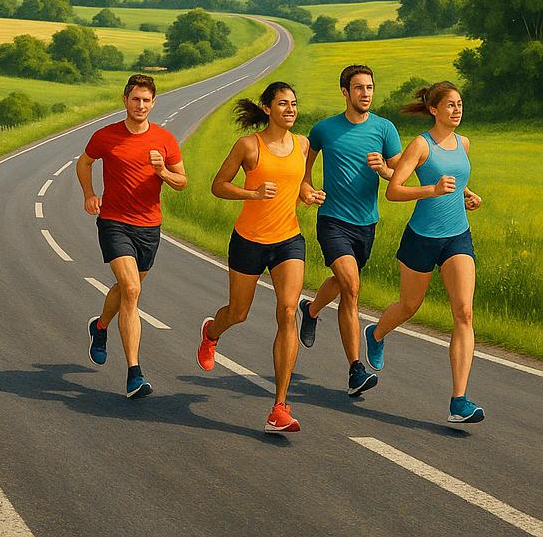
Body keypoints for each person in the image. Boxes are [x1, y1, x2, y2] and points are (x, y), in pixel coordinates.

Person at [196, 82, 323, 433]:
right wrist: (251, 193)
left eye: (293, 103)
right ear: (267, 109)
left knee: (287, 312)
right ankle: (211, 332)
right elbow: (219, 185)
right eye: (282, 104)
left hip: (288, 240)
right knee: (238, 312)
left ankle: (279, 408)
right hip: (249, 240)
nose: (290, 109)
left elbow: (300, 182)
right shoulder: (249, 146)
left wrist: (308, 194)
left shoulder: (303, 145)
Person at [365, 82, 485, 424]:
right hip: (422, 237)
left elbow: (455, 178)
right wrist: (432, 190)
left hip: (457, 237)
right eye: (450, 105)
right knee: (409, 306)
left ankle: (459, 401)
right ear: (434, 110)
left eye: (459, 104)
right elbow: (394, 190)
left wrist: (467, 195)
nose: (457, 110)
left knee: (464, 313)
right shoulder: (421, 144)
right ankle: (375, 333)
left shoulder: (463, 143)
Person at [77, 73, 186, 398]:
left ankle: (100, 326)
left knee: (128, 290)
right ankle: (134, 374)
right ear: (125, 100)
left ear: (153, 103)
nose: (141, 105)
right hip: (114, 222)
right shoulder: (105, 136)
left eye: (146, 100)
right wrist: (89, 194)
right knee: (132, 289)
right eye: (135, 99)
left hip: (149, 226)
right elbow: (84, 163)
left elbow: (182, 182)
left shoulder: (165, 139)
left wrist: (162, 171)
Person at [298, 65, 402, 397]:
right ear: (345, 92)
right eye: (359, 88)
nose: (365, 93)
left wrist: (383, 168)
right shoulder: (323, 129)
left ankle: (311, 309)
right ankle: (356, 370)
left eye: (369, 87)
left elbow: (400, 172)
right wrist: (307, 190)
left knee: (345, 281)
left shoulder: (384, 128)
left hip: (366, 223)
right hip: (332, 220)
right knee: (352, 288)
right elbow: (303, 172)